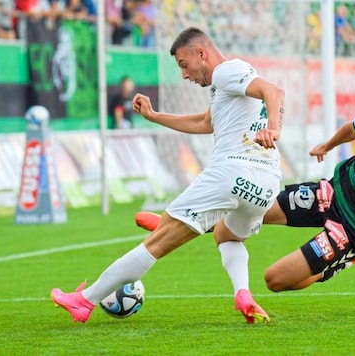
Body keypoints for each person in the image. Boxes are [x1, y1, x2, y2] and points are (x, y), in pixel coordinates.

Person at [137, 70, 355, 300]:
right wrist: (327, 146)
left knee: (275, 280)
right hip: (330, 193)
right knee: (251, 208)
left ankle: (340, 263)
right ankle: (188, 224)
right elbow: (353, 128)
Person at [51, 27, 285, 323]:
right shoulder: (227, 84)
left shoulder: (227, 71)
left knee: (156, 244)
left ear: (201, 53)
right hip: (265, 186)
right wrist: (154, 116)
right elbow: (204, 122)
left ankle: (85, 301)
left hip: (231, 171)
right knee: (228, 237)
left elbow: (274, 91)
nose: (184, 75)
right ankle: (243, 294)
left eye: (183, 65)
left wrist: (274, 129)